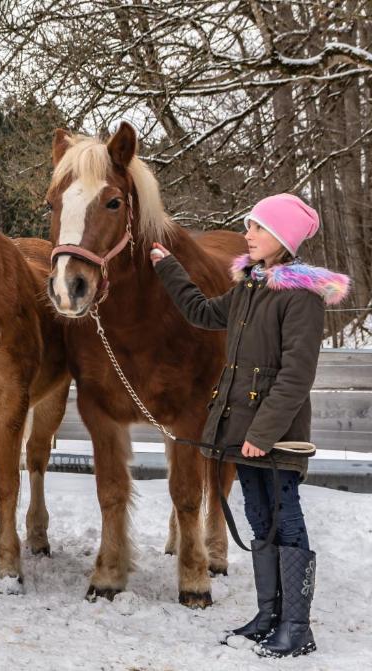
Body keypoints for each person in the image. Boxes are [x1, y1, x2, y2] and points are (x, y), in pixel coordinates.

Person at [151, 194, 350, 658]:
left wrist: (263, 436)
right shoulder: (248, 287)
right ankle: (269, 615)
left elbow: (297, 376)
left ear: (281, 238)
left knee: (287, 521)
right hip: (244, 430)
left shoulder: (301, 297)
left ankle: (296, 627)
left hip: (275, 434)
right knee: (261, 521)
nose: (247, 234)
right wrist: (168, 267)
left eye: (257, 227)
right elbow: (202, 313)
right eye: (249, 226)